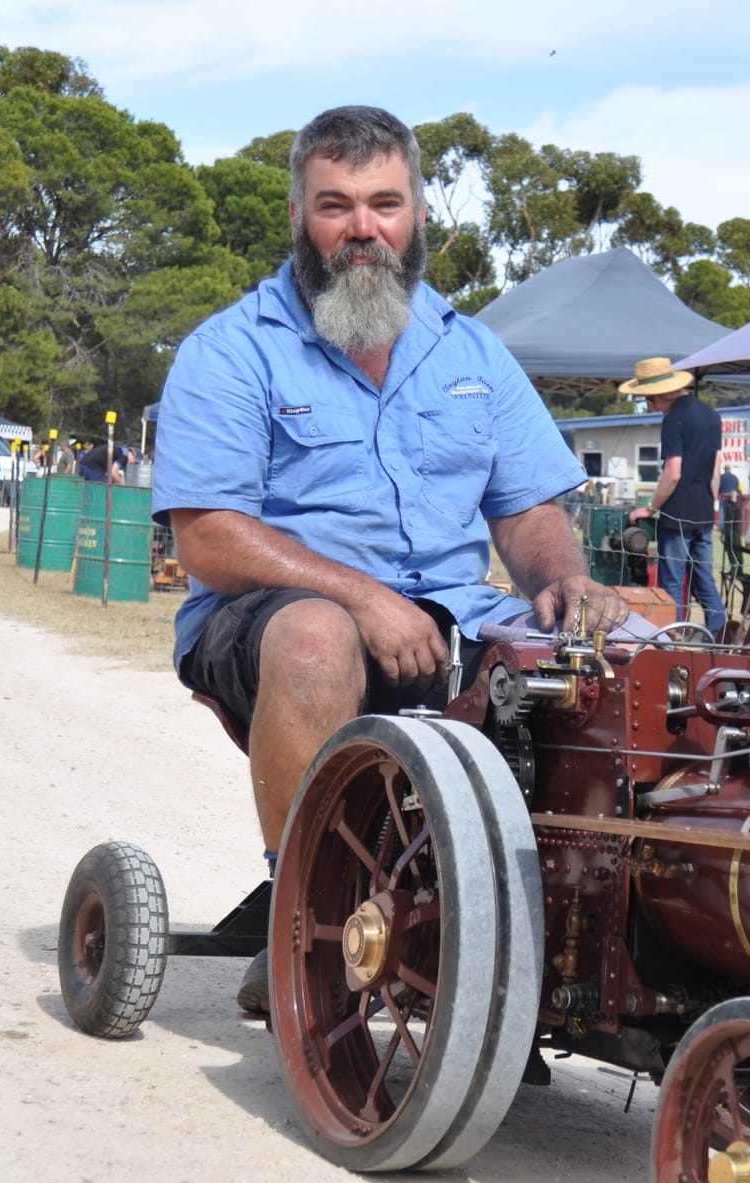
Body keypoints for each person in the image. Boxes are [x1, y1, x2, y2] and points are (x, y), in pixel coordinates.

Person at [151, 104, 628, 1016]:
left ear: (416, 218)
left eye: (384, 203)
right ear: (300, 216)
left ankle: (587, 937)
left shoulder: (473, 350)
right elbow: (208, 538)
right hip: (269, 618)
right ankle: (310, 925)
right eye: (335, 205)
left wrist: (560, 578)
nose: (361, 229)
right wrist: (360, 596)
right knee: (318, 639)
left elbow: (528, 510)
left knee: (629, 654)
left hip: (448, 615)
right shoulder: (232, 350)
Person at [622, 357, 726, 636]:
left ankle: (674, 636)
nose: (652, 407)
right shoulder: (711, 416)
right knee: (704, 578)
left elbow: (673, 473)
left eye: (650, 400)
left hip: (676, 514)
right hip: (704, 511)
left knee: (672, 582)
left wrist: (651, 509)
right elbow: (716, 470)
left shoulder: (674, 420)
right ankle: (719, 631)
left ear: (661, 394)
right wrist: (711, 506)